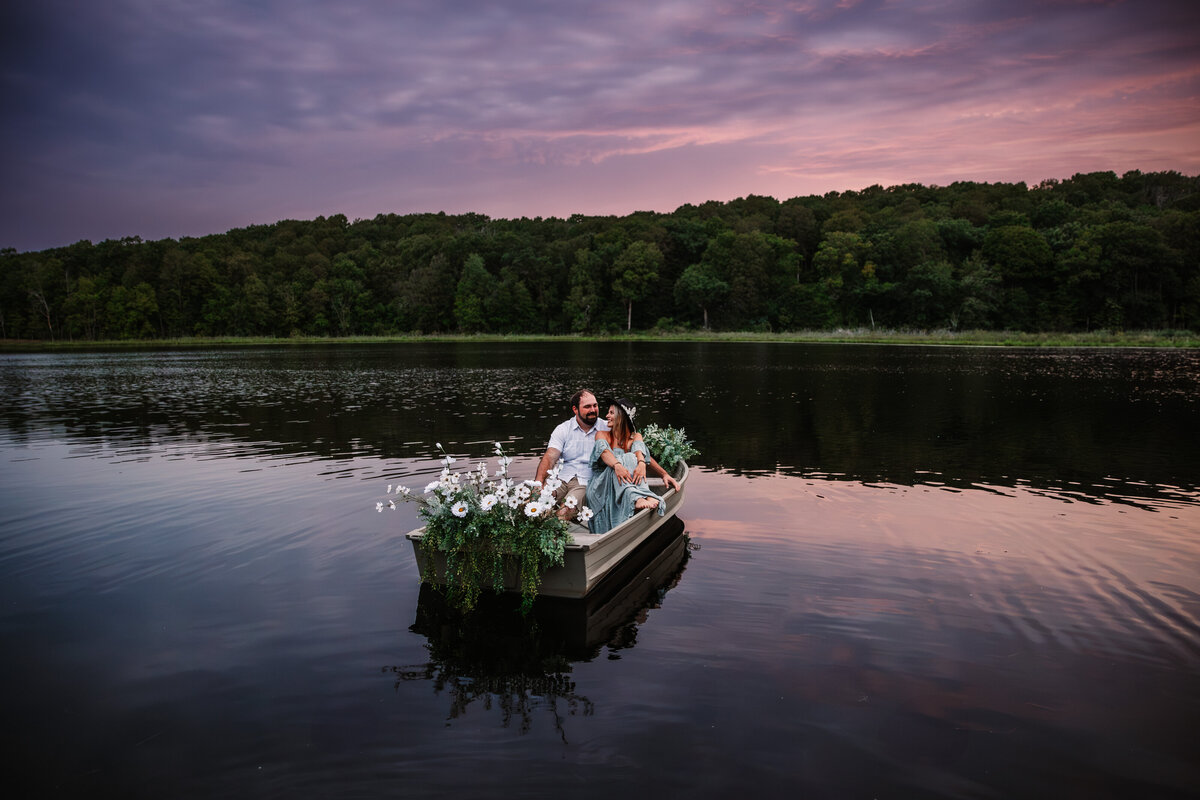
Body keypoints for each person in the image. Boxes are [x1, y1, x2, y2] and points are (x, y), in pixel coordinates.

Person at [586, 398, 681, 534]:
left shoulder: (635, 437)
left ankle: (642, 496)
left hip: (626, 482)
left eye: (611, 413)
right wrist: (617, 465)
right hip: (602, 485)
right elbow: (605, 453)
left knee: (633, 457)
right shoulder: (602, 435)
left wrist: (661, 472)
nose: (607, 416)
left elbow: (640, 452)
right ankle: (637, 496)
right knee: (624, 460)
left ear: (621, 417)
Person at [535, 389, 609, 520]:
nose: (593, 410)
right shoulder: (563, 429)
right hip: (561, 479)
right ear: (575, 409)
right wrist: (538, 484)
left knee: (566, 509)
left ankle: (553, 534)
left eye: (595, 405)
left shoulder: (607, 428)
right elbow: (550, 457)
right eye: (587, 406)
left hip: (586, 482)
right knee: (536, 501)